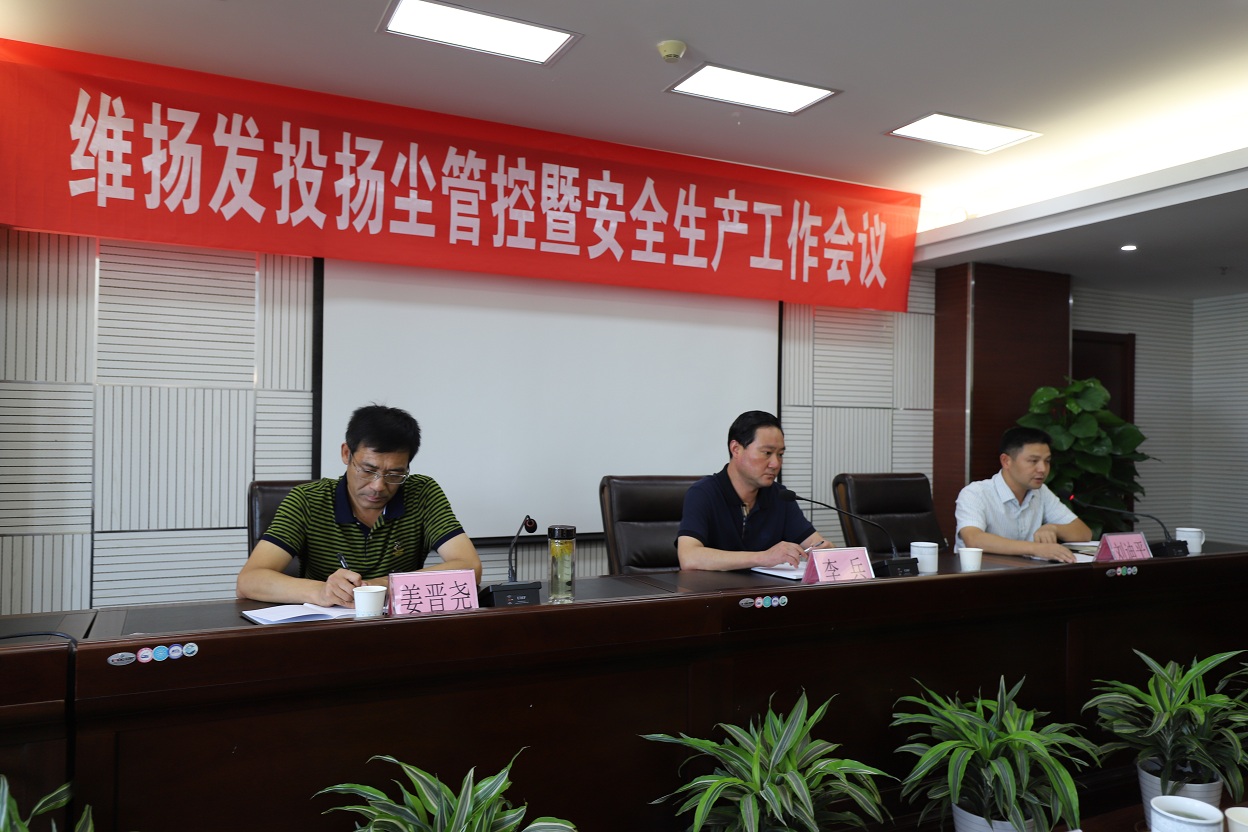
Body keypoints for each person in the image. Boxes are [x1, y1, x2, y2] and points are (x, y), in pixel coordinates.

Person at [237, 404, 481, 606]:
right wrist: (322, 592)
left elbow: (470, 568)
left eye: (395, 474)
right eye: (368, 470)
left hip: (397, 628)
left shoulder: (422, 493)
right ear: (346, 453)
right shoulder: (307, 500)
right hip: (325, 629)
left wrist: (377, 587)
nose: (378, 486)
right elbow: (249, 580)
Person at [677, 410, 829, 571]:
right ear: (736, 449)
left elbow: (817, 544)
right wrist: (763, 557)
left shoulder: (780, 496)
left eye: (780, 454)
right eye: (767, 453)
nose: (775, 464)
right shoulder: (703, 493)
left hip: (768, 588)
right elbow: (689, 558)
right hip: (715, 587)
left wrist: (825, 552)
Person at [954, 426, 1092, 562]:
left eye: (1047, 461)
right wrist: (1036, 549)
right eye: (1033, 461)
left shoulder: (1041, 492)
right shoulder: (975, 493)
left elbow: (1084, 533)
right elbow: (974, 539)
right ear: (1006, 461)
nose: (1042, 469)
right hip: (982, 574)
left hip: (1025, 572)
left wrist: (1054, 528)